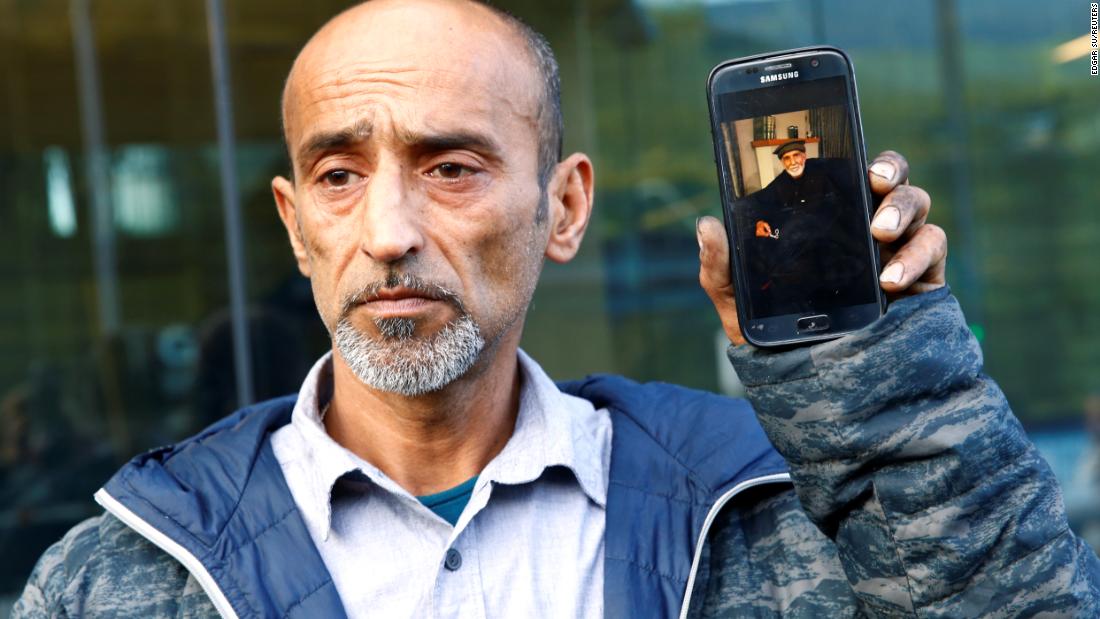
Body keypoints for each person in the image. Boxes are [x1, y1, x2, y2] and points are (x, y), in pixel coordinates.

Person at [14, 1, 1099, 617]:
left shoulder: (766, 514)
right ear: (297, 226)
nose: (387, 230)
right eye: (339, 176)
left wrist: (883, 389)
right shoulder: (122, 575)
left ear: (563, 206)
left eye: (449, 167)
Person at [736, 139, 873, 316]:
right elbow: (754, 204)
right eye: (786, 158)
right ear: (782, 162)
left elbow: (856, 181)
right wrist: (758, 222)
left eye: (796, 156)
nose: (792, 162)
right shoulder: (781, 183)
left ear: (804, 156)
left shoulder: (826, 170)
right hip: (800, 258)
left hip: (836, 249)